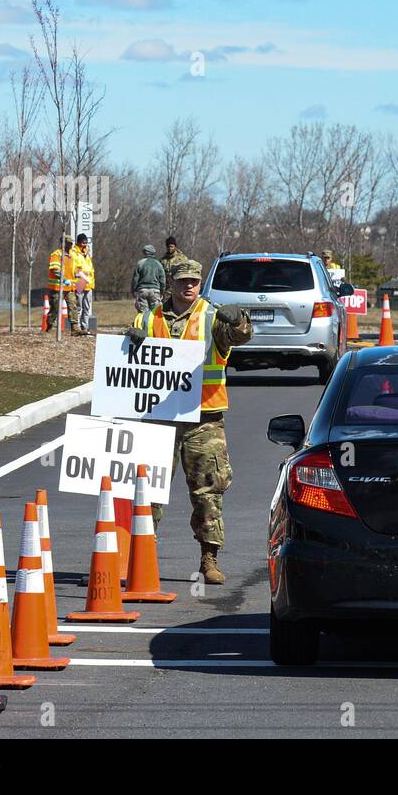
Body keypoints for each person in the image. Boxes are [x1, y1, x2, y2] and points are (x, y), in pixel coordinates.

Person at [126, 260, 253, 585]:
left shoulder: (213, 316)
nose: (189, 286)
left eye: (194, 281)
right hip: (160, 418)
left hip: (204, 418)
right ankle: (139, 557)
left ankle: (209, 560)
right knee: (147, 489)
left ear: (200, 282)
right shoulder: (148, 317)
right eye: (183, 280)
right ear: (171, 282)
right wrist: (130, 340)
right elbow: (125, 358)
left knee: (208, 492)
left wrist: (238, 320)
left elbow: (241, 337)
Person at [46, 237, 78, 333]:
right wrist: (64, 280)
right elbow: (55, 270)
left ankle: (74, 328)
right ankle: (49, 326)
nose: (71, 245)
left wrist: (80, 277)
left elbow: (75, 270)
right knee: (55, 308)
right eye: (69, 243)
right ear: (63, 244)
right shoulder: (57, 254)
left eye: (71, 243)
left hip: (69, 288)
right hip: (57, 287)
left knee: (73, 306)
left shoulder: (72, 256)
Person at [70, 233, 94, 336]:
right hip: (80, 281)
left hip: (89, 282)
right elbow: (76, 268)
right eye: (83, 242)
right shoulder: (74, 252)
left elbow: (90, 267)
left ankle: (85, 327)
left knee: (87, 307)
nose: (85, 244)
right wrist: (83, 278)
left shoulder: (87, 253)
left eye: (86, 242)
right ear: (78, 242)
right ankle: (77, 328)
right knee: (79, 306)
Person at [131, 244, 166, 312]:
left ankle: (145, 322)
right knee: (156, 313)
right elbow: (162, 279)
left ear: (144, 252)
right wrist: (162, 291)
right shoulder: (158, 264)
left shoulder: (140, 263)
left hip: (142, 290)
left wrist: (134, 290)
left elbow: (135, 279)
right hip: (155, 291)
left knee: (143, 314)